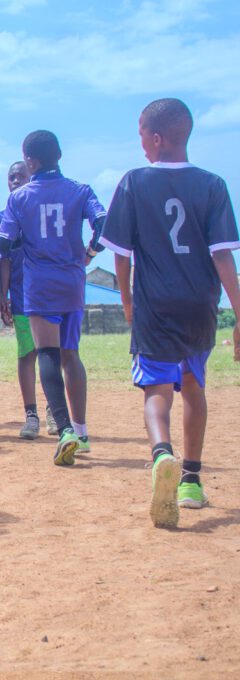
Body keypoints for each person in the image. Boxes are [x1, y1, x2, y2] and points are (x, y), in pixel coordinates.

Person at [101, 98, 240, 528]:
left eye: (142, 134)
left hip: (155, 305)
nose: (141, 143)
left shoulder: (134, 182)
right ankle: (192, 481)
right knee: (194, 385)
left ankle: (162, 455)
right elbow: (223, 257)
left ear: (157, 138)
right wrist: (239, 314)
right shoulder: (213, 185)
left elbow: (121, 255)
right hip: (200, 304)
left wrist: (127, 301)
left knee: (156, 392)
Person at [0, 130, 106, 466]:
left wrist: (27, 243)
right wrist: (89, 252)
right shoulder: (80, 190)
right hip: (72, 281)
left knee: (46, 354)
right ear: (59, 154)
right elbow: (104, 222)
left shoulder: (19, 198)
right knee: (71, 355)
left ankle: (64, 431)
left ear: (29, 161)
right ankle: (82, 431)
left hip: (40, 284)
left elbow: (3, 244)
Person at [0, 161, 45, 439]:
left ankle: (55, 411)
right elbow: (3, 260)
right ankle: (31, 415)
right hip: (21, 297)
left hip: (49, 297)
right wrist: (4, 296)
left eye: (20, 176)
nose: (15, 181)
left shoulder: (42, 212)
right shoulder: (3, 217)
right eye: (11, 177)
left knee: (52, 355)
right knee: (27, 354)